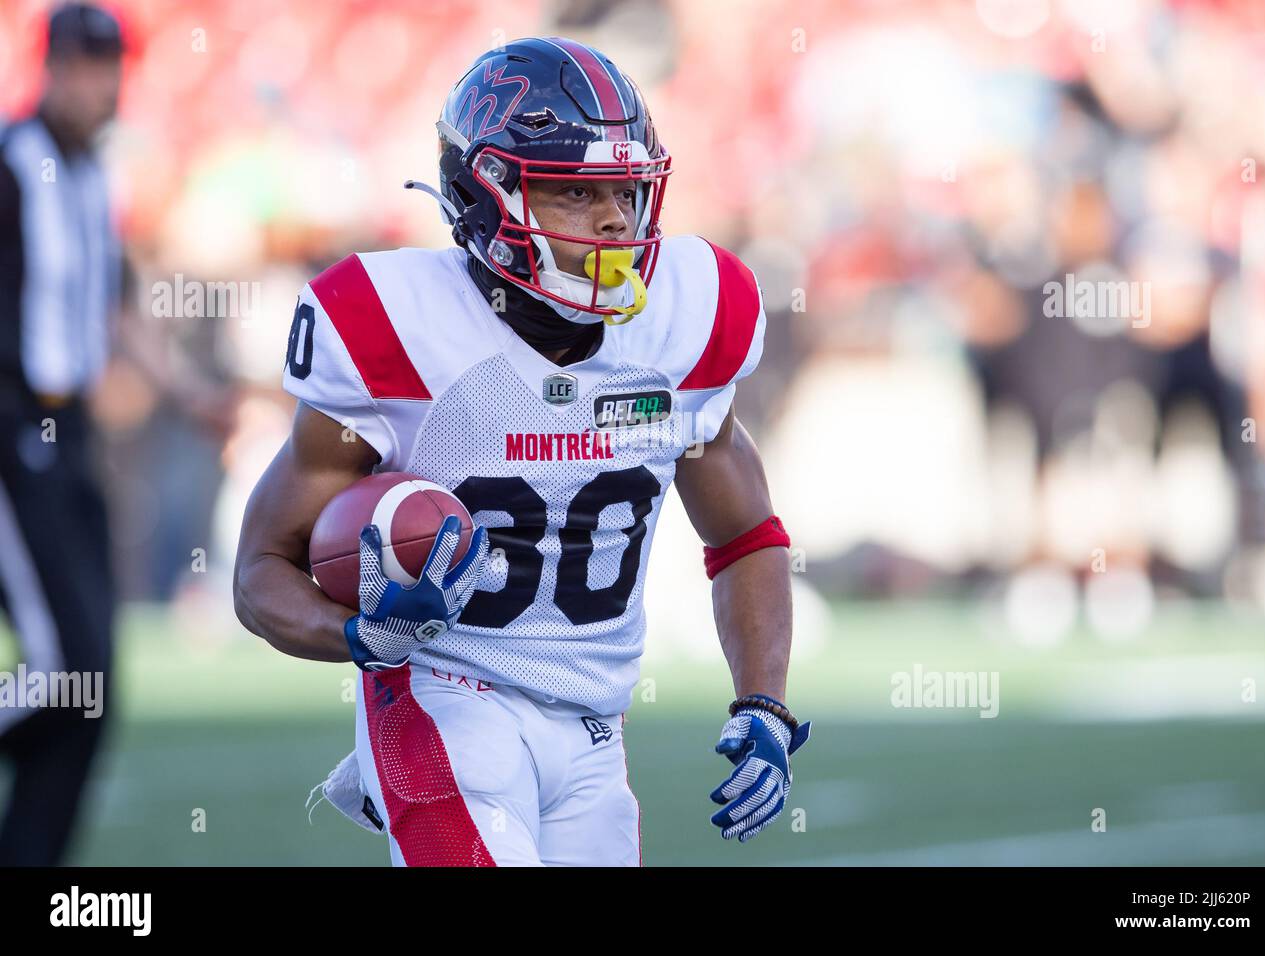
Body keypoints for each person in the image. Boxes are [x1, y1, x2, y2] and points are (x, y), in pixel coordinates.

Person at [233, 36, 809, 866]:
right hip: (441, 701)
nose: (615, 219)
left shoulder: (687, 319)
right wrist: (362, 637)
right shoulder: (395, 325)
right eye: (575, 193)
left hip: (594, 732)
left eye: (626, 191)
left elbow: (746, 533)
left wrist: (764, 700)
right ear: (485, 197)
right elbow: (260, 572)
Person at [0, 2, 124, 865]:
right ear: (50, 67)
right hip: (11, 432)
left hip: (71, 435)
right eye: (81, 65)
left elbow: (117, 304)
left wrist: (195, 395)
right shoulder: (13, 165)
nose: (95, 83)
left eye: (107, 65)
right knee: (58, 670)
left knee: (92, 692)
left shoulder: (90, 175)